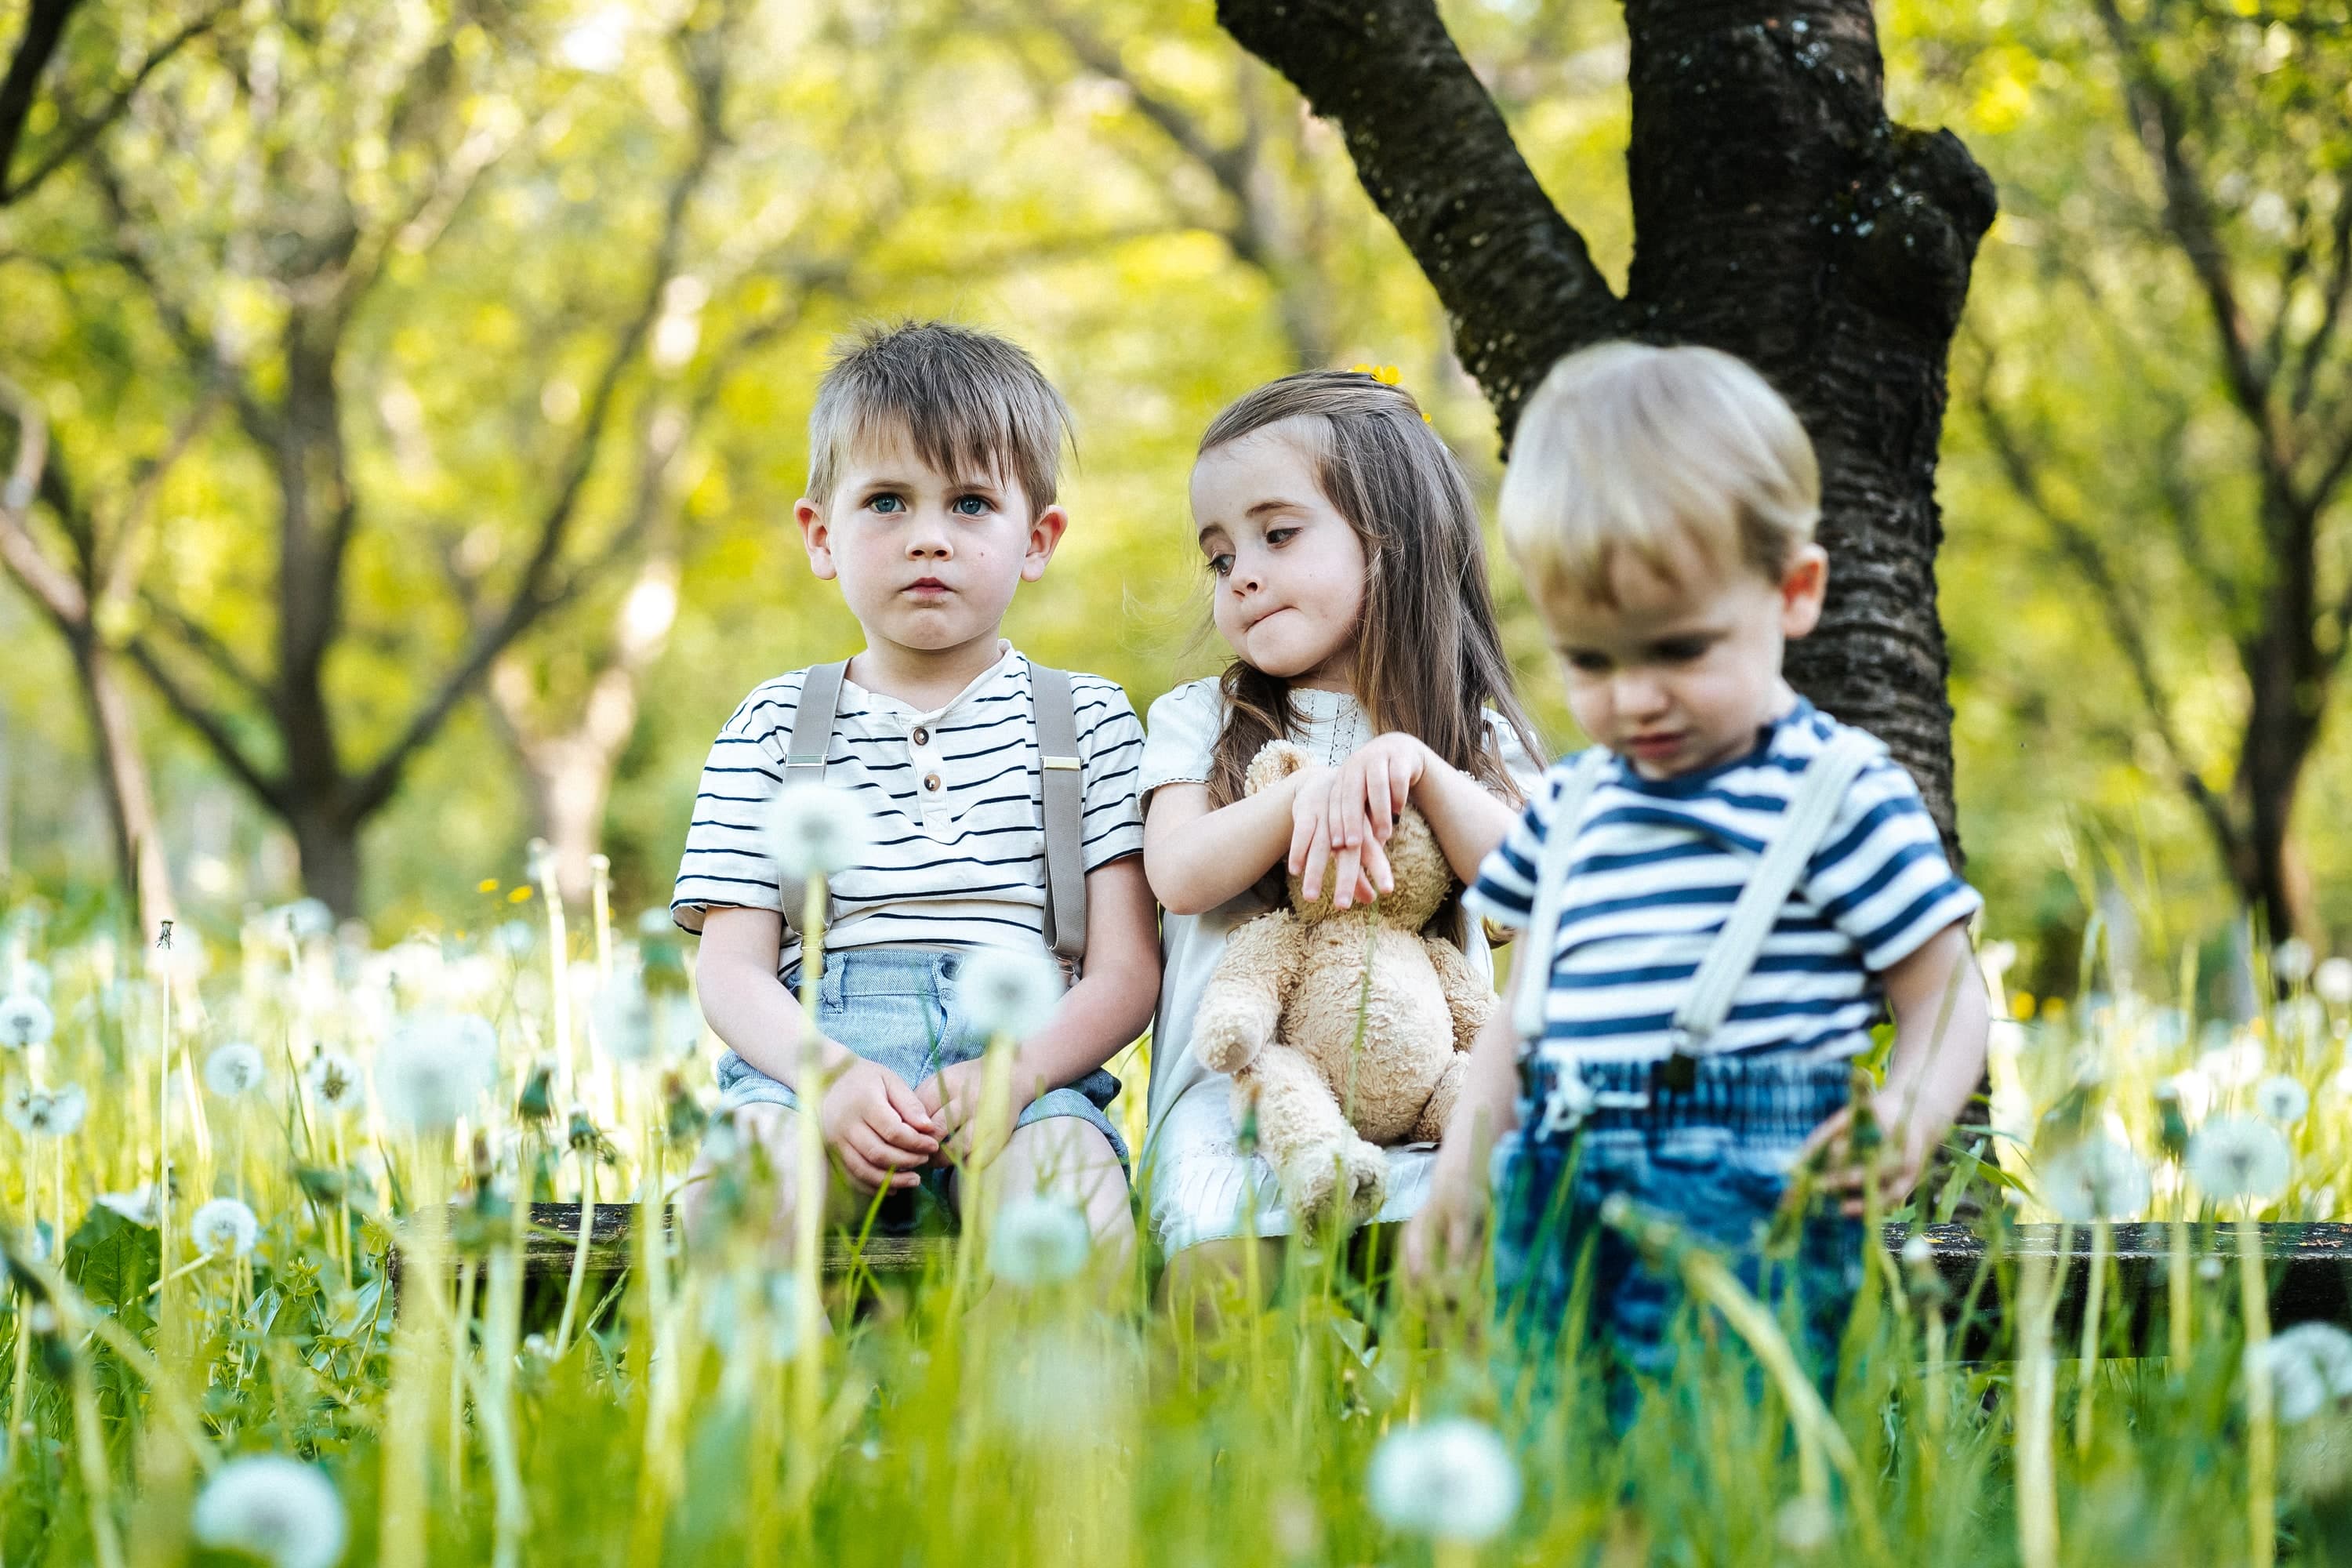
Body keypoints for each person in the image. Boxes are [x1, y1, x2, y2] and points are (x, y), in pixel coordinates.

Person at [1403, 341, 1990, 1412]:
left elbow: (1945, 991)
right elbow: (1520, 1020)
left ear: (1794, 592)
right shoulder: (1575, 803)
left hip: (1756, 1195)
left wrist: (1907, 1116)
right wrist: (1462, 1172)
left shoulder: (1837, 792)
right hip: (1561, 1181)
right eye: (1591, 660)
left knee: (1733, 1454)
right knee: (1562, 1452)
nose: (1635, 698)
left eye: (1679, 650)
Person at [671, 320, 1160, 1262]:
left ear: (1038, 539)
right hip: (809, 1076)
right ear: (821, 535)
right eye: (887, 501)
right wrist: (830, 1078)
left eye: (972, 503)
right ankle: (775, 1365)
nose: (929, 537)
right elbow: (730, 971)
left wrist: (1019, 1075)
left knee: (1077, 1225)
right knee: (733, 1208)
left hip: (1030, 1081)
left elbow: (1127, 970)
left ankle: (1035, 1366)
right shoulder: (774, 722)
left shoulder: (1088, 719)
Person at [1138, 368, 1543, 1304]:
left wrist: (1420, 768)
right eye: (1219, 556)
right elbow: (1181, 873)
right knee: (1221, 1282)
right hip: (1240, 1102)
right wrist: (1301, 796)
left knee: (1476, 1269)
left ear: (1392, 540)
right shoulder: (1200, 718)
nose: (1241, 573)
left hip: (1435, 1102)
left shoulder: (1471, 736)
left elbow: (1536, 887)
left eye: (1277, 534)